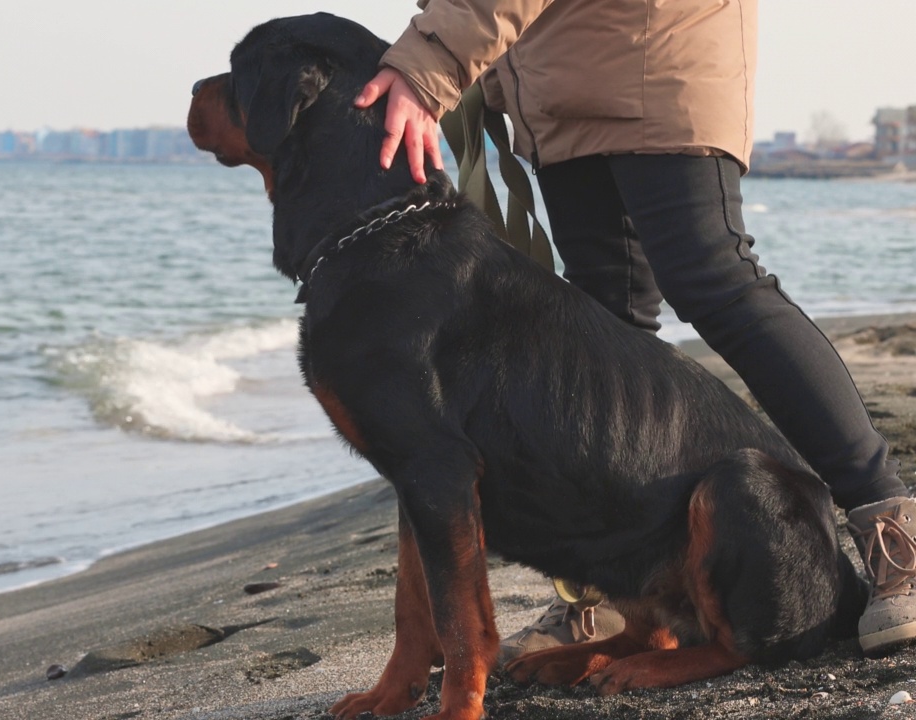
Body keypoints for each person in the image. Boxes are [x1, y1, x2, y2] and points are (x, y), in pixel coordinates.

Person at [355, 0, 914, 660]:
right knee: (600, 337)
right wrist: (499, 84)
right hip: (566, 90)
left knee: (715, 281)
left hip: (661, 51)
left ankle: (892, 538)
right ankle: (622, 593)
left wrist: (429, 66)